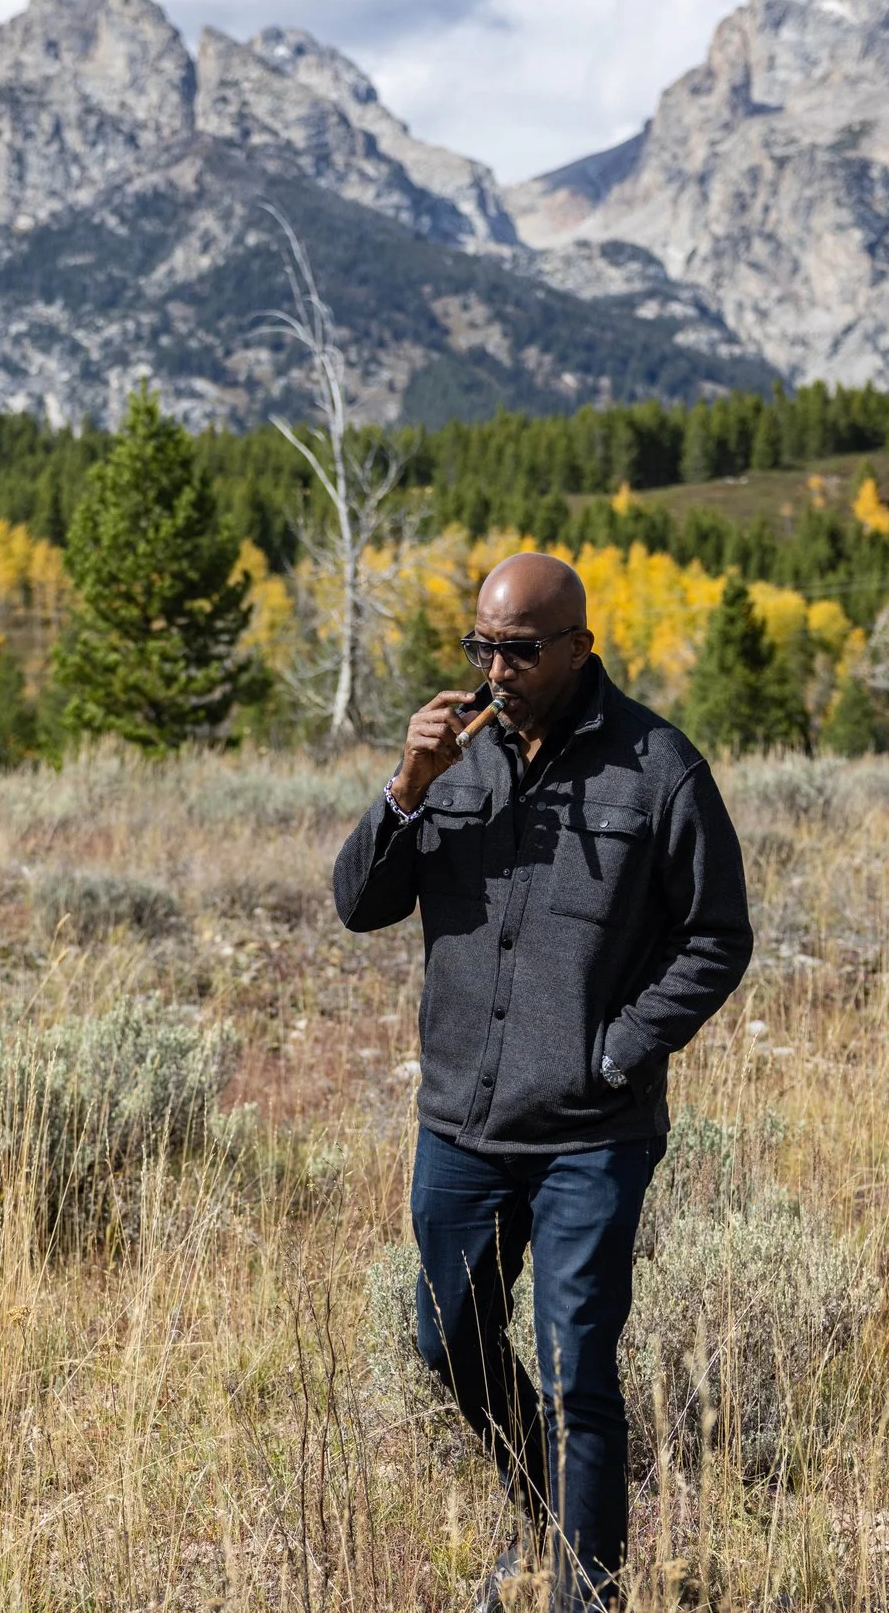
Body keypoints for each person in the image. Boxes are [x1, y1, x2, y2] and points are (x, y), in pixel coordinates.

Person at [333, 552, 753, 1611]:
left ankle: (586, 1592)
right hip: (461, 1125)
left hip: (589, 1130)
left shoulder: (657, 767)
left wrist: (619, 1049)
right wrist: (405, 786)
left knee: (576, 1372)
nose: (495, 666)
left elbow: (715, 934)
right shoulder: (452, 755)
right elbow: (357, 903)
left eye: (519, 648)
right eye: (480, 645)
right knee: (446, 1340)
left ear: (577, 647)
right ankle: (549, 1513)